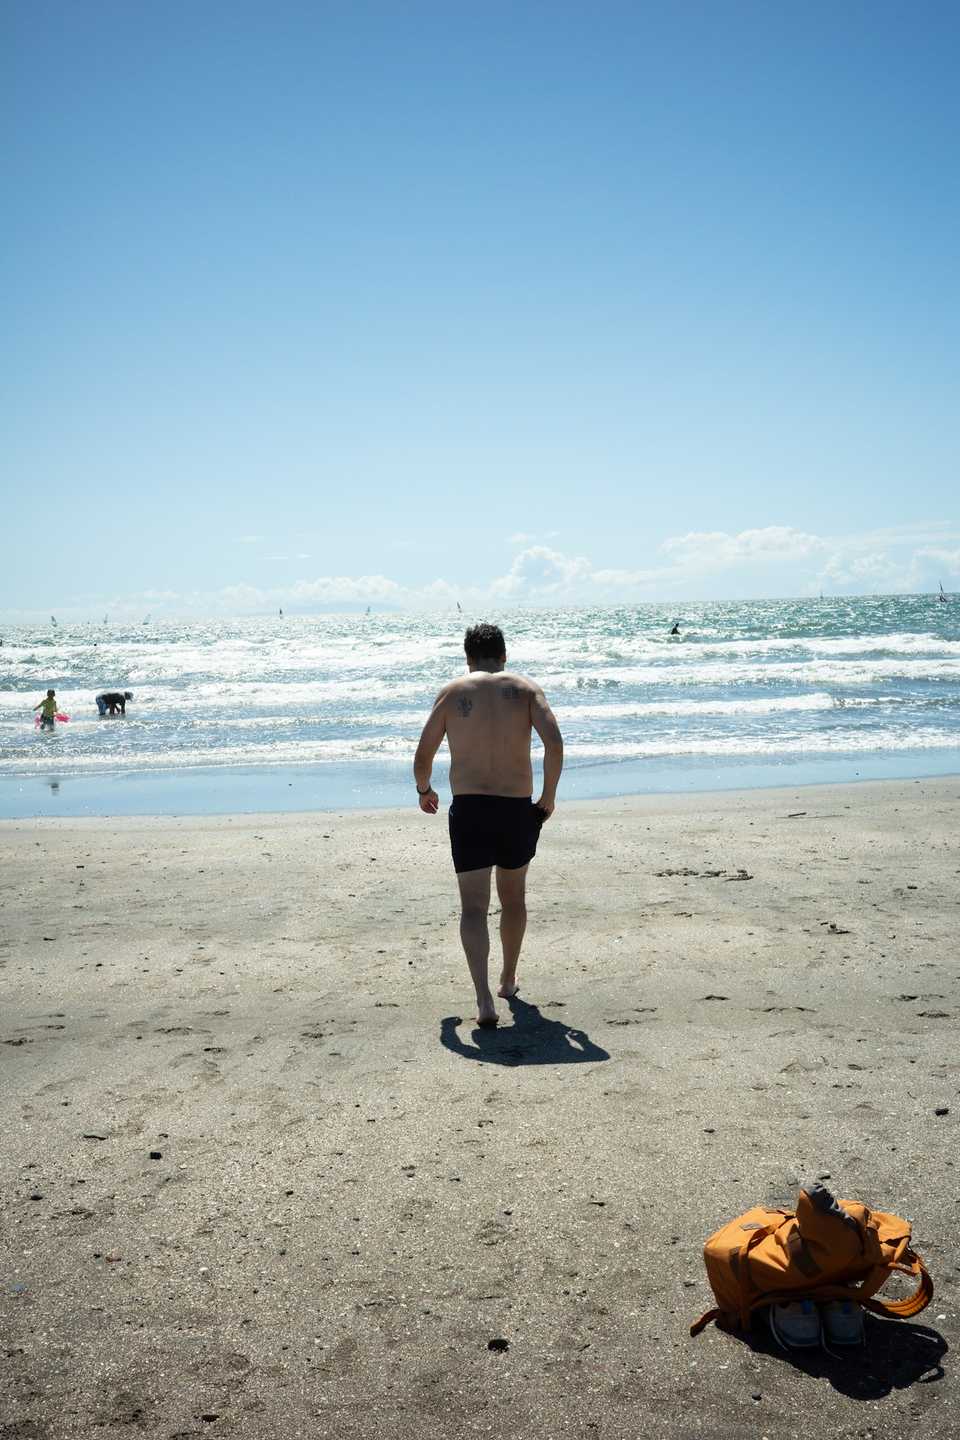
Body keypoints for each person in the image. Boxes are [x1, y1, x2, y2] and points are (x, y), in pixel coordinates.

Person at [413, 622, 564, 1027]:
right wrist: (548, 796)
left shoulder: (453, 693)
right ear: (504, 656)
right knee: (513, 899)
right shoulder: (527, 689)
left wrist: (424, 789)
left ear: (468, 659)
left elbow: (424, 752)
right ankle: (508, 979)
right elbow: (554, 743)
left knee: (474, 907)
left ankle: (483, 1000)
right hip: (516, 809)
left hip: (471, 810)